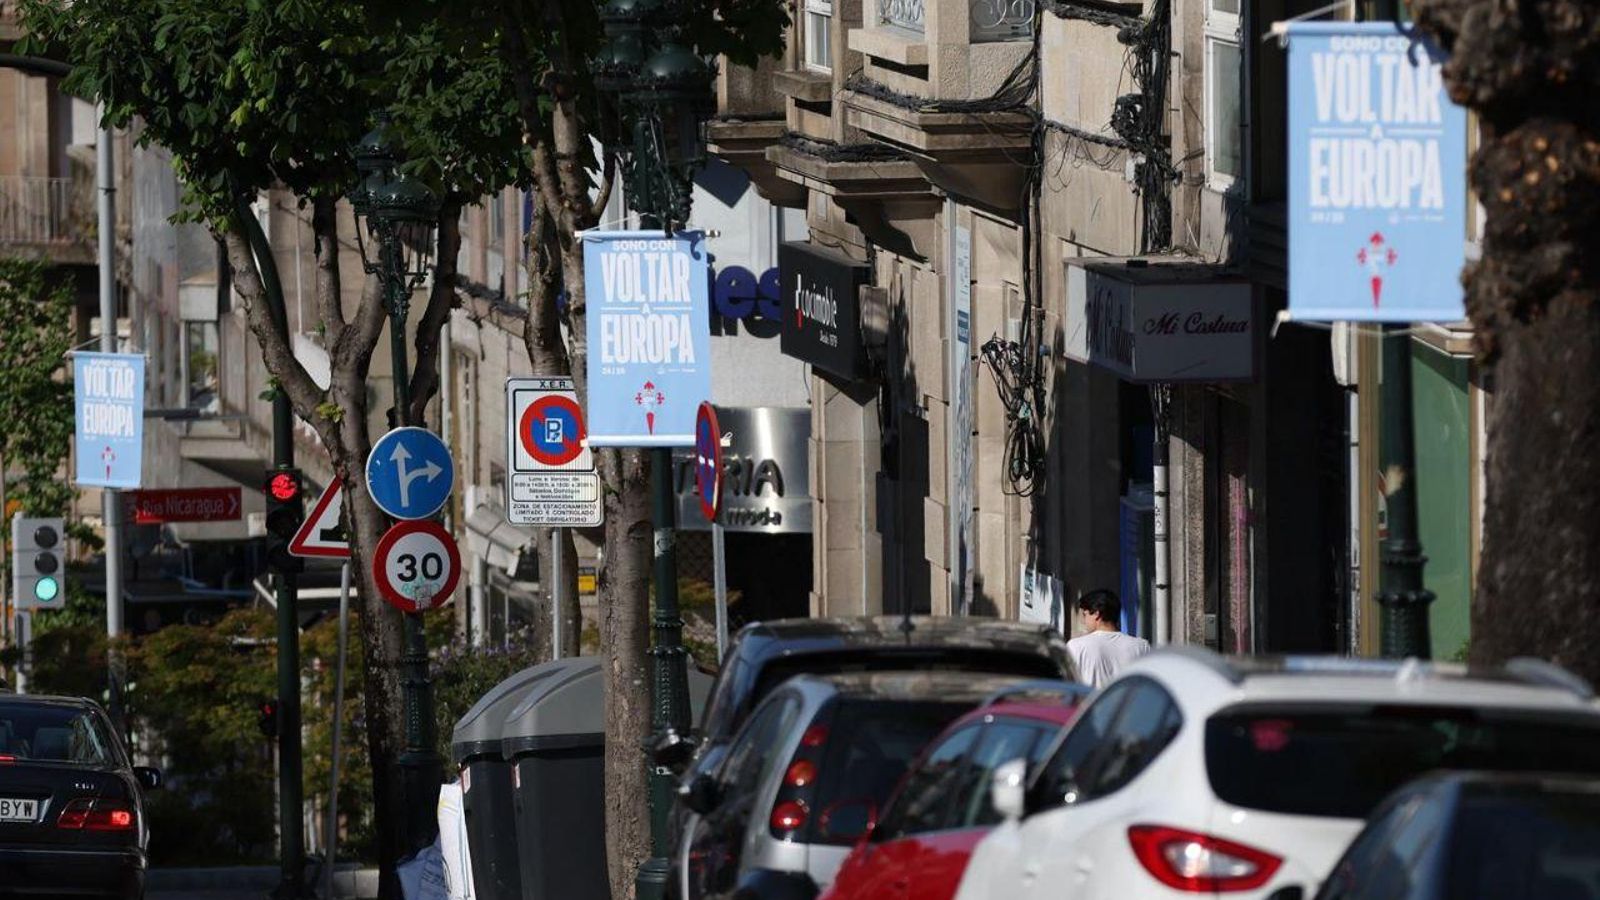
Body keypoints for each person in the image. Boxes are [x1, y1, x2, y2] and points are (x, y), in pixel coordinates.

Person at [1066, 589, 1151, 688]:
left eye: (1085, 615)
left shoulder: (1076, 646)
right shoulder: (1141, 647)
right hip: (1131, 703)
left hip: (1092, 703)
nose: (1084, 621)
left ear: (1097, 614)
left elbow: (1065, 686)